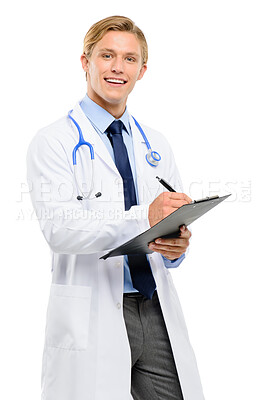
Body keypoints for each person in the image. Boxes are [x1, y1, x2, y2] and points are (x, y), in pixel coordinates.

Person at [27, 15, 205, 400]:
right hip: (91, 307)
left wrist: (176, 245)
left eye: (129, 59)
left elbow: (166, 219)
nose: (117, 67)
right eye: (107, 55)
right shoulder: (53, 142)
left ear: (142, 71)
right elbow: (60, 229)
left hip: (154, 305)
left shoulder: (155, 144)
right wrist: (145, 216)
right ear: (85, 62)